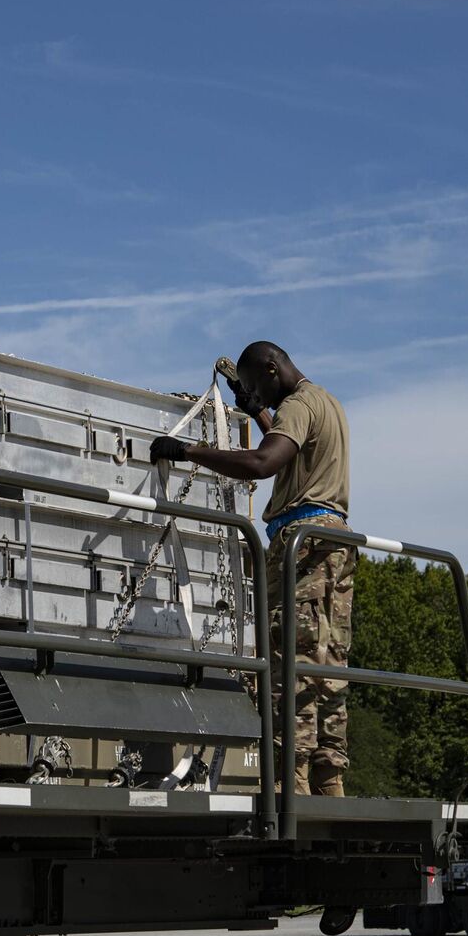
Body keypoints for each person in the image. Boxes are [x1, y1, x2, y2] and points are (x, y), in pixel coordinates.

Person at [148, 341, 354, 797]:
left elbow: (264, 462)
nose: (259, 394)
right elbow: (292, 451)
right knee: (329, 663)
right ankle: (328, 778)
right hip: (333, 544)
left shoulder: (298, 405)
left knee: (289, 664)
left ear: (271, 367)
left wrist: (187, 452)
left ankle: (292, 783)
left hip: (302, 546)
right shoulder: (327, 402)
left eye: (259, 385)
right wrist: (258, 414)